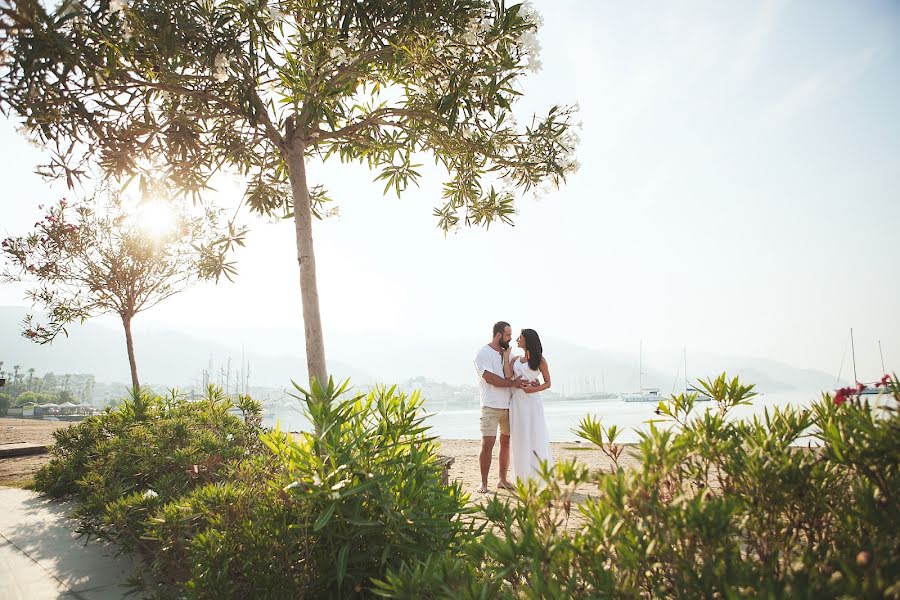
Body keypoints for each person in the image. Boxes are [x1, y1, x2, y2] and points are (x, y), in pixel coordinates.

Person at [474, 321, 529, 494]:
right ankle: (484, 483)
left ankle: (502, 480)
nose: (510, 338)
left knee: (505, 444)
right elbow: (490, 378)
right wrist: (512, 383)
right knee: (488, 443)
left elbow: (515, 371)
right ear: (498, 335)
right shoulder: (482, 353)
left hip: (509, 406)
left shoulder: (506, 354)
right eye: (508, 335)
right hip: (490, 406)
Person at [504, 328, 552, 483]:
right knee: (519, 438)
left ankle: (539, 477)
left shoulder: (540, 360)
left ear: (527, 340)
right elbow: (508, 376)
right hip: (517, 403)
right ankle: (522, 477)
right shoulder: (515, 360)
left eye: (520, 337)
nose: (517, 339)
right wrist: (506, 357)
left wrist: (533, 389)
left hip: (533, 403)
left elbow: (548, 383)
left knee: (535, 436)